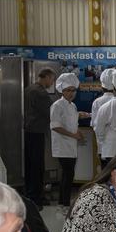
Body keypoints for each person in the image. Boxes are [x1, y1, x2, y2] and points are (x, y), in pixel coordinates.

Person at [50, 72, 87, 207]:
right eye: (67, 90)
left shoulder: (72, 106)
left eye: (73, 90)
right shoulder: (57, 106)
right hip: (62, 145)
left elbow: (71, 123)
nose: (71, 93)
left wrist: (78, 133)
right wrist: (74, 135)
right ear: (62, 90)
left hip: (71, 145)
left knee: (69, 175)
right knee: (67, 174)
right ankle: (64, 203)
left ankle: (64, 202)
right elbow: (55, 126)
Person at [22, 67, 55, 205]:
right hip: (37, 132)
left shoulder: (28, 89)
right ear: (46, 77)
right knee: (37, 166)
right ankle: (37, 198)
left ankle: (29, 194)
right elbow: (51, 113)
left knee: (29, 165)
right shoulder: (41, 93)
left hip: (28, 131)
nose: (52, 83)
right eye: (52, 79)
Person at [91, 68, 116, 167]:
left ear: (102, 86)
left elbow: (95, 125)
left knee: (106, 175)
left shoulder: (97, 102)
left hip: (103, 148)